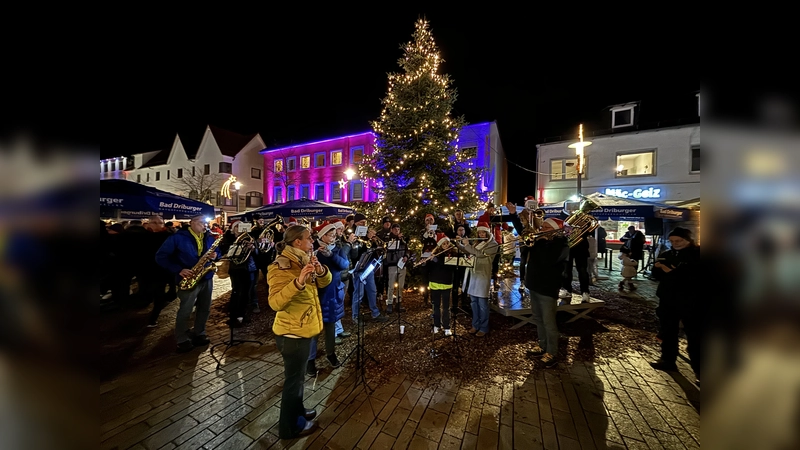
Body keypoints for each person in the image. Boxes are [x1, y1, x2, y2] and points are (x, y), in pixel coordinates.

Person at [267, 225, 332, 439]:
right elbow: (275, 302)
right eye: (309, 239)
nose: (312, 242)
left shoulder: (303, 259)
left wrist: (320, 270)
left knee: (298, 379)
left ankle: (298, 412)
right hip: (291, 335)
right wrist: (298, 282)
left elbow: (324, 282)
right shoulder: (281, 266)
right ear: (297, 242)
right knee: (293, 383)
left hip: (302, 329)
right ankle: (288, 428)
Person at [155, 214, 221, 353]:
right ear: (192, 222)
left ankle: (199, 333)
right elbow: (161, 256)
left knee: (204, 308)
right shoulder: (177, 237)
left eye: (206, 223)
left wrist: (216, 256)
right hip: (188, 278)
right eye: (202, 223)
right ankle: (181, 339)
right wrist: (178, 270)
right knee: (185, 310)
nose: (205, 226)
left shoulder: (208, 237)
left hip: (206, 277)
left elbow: (217, 252)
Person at [649, 227, 701, 380]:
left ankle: (700, 371)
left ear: (688, 240)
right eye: (672, 241)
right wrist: (659, 269)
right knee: (668, 331)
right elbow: (656, 274)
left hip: (691, 301)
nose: (675, 243)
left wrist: (670, 271)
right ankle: (668, 360)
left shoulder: (698, 255)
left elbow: (694, 276)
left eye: (679, 241)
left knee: (695, 336)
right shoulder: (667, 254)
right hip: (668, 299)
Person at [306, 221, 353, 372]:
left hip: (333, 293)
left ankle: (330, 353)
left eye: (334, 235)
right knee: (314, 328)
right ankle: (310, 359)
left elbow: (344, 264)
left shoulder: (337, 249)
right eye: (330, 235)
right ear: (322, 236)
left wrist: (331, 255)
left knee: (331, 326)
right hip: (318, 293)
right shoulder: (314, 251)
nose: (333, 238)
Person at [524, 218, 570, 369]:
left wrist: (540, 242)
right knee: (538, 318)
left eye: (545, 227)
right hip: (535, 285)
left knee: (549, 322)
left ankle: (552, 353)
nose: (541, 229)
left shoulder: (561, 244)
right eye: (542, 226)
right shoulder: (540, 241)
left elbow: (547, 261)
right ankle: (542, 346)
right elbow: (528, 255)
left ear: (554, 229)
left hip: (547, 288)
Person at [454, 222, 499, 337]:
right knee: (473, 302)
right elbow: (468, 251)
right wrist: (459, 243)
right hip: (474, 275)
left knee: (482, 303)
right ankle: (475, 325)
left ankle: (484, 327)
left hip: (483, 275)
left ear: (488, 233)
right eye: (479, 232)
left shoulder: (493, 244)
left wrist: (468, 245)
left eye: (484, 232)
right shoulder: (477, 243)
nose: (481, 234)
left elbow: (479, 254)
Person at [350, 214, 389, 322]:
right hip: (358, 268)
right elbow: (355, 253)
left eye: (365, 222)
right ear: (356, 223)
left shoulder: (366, 234)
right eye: (361, 222)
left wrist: (373, 240)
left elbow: (373, 248)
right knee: (359, 293)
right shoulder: (353, 234)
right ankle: (355, 315)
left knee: (372, 290)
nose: (364, 225)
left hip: (369, 267)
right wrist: (366, 239)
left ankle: (375, 313)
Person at [219, 221, 259, 327]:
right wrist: (236, 245)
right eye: (237, 227)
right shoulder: (229, 238)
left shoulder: (249, 237)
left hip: (249, 268)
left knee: (247, 292)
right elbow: (225, 251)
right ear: (233, 228)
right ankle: (234, 315)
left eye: (241, 226)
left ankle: (244, 314)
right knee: (236, 292)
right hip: (236, 268)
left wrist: (253, 248)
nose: (239, 228)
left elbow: (257, 252)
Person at [142, 215, 177, 327]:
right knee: (155, 293)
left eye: (160, 223)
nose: (157, 225)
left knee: (160, 295)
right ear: (148, 223)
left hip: (165, 270)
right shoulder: (144, 237)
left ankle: (153, 318)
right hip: (151, 271)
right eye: (154, 222)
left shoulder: (169, 237)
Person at [427, 234, 457, 335]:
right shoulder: (435, 254)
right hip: (435, 282)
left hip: (446, 283)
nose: (446, 245)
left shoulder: (452, 254)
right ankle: (436, 325)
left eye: (447, 243)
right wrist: (427, 263)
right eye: (443, 244)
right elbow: (429, 270)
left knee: (446, 306)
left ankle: (447, 326)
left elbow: (449, 267)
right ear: (440, 245)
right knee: (435, 306)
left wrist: (437, 261)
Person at [384, 223, 409, 314]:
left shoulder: (403, 240)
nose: (397, 231)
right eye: (395, 229)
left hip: (401, 264)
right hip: (392, 264)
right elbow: (387, 248)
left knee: (400, 286)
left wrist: (406, 256)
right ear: (392, 230)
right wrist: (396, 239)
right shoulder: (388, 239)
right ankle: (389, 303)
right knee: (391, 286)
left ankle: (399, 302)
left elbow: (407, 250)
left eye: (398, 229)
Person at [560, 232, 592, 303]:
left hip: (581, 246)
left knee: (582, 271)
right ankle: (567, 290)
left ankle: (585, 292)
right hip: (567, 246)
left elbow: (590, 231)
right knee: (566, 271)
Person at [450, 224, 471, 314]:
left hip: (465, 266)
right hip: (455, 266)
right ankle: (454, 305)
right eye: (459, 230)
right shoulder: (453, 241)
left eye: (462, 230)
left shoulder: (468, 241)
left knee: (465, 285)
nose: (461, 232)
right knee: (455, 286)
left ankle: (464, 303)